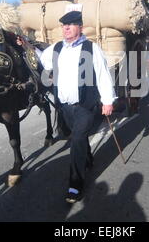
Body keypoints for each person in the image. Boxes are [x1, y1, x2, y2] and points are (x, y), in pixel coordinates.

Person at [37, 11, 116, 203]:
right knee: (78, 138)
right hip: (64, 106)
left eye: (71, 25)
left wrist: (107, 100)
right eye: (64, 25)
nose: (66, 28)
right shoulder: (56, 48)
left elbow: (102, 74)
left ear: (80, 27)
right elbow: (40, 59)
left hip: (85, 105)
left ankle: (75, 185)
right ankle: (87, 159)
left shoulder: (91, 48)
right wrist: (25, 45)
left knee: (78, 139)